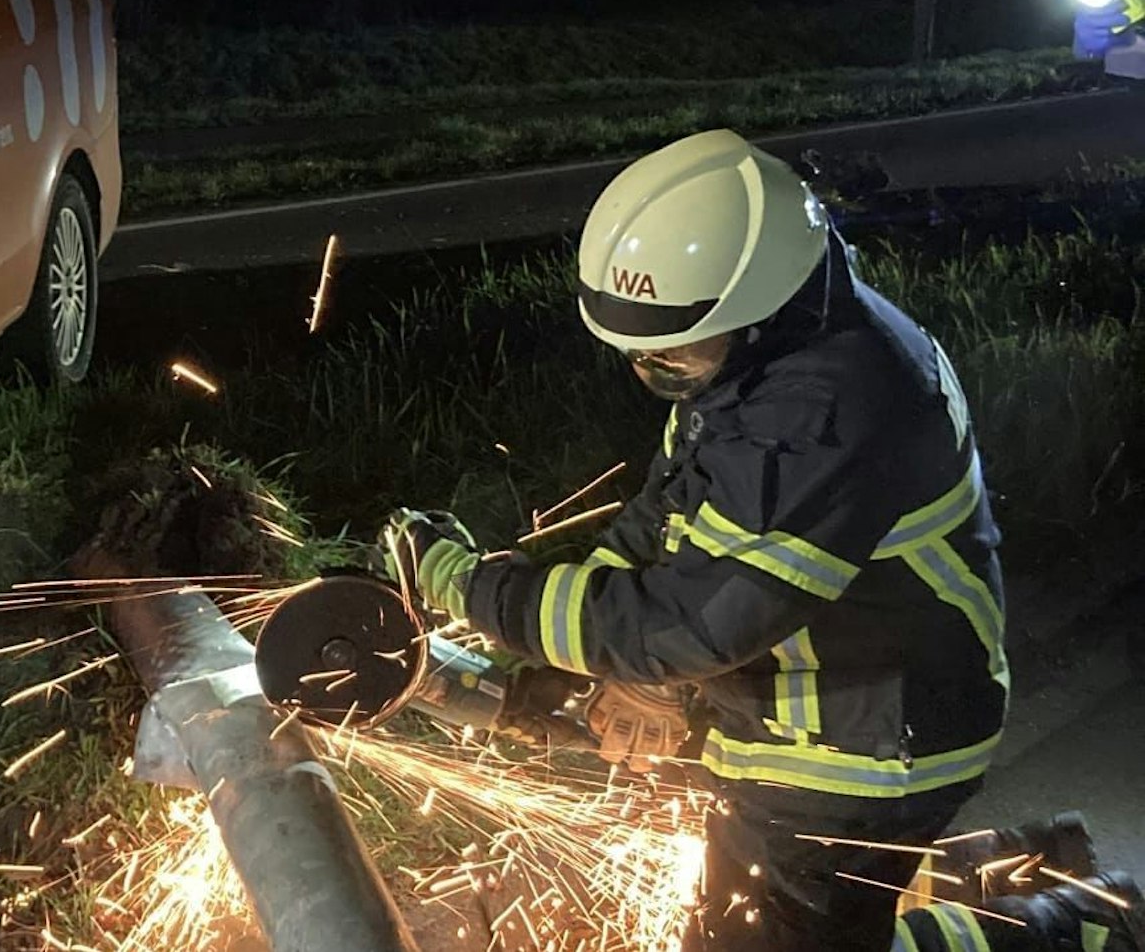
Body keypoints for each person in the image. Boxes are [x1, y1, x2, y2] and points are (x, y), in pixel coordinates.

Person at [381, 130, 1134, 951]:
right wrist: (619, 663)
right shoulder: (762, 361)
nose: (658, 374)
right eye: (642, 356)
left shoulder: (830, 410)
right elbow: (668, 517)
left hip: (868, 743)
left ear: (764, 308)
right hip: (824, 700)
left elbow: (684, 625)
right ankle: (1040, 887)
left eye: (675, 355)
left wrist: (469, 587)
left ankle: (1070, 928)